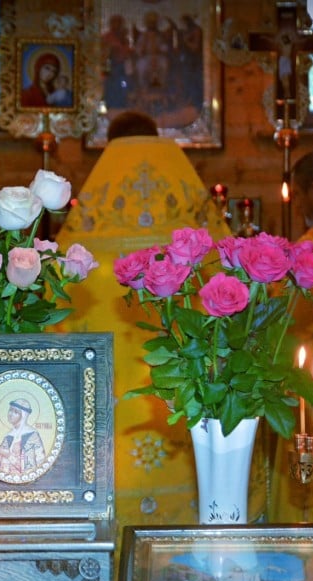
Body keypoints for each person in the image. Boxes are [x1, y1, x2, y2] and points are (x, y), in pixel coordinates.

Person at [56, 110, 231, 538]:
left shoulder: (89, 232)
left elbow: (53, 299)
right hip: (179, 408)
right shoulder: (187, 223)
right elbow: (227, 275)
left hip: (109, 426)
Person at [0, 398, 46, 476]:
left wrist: (8, 455)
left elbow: (41, 463)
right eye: (10, 410)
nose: (11, 414)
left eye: (16, 412)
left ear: (23, 415)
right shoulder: (9, 435)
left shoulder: (32, 435)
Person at [100, 14, 134, 110]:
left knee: (124, 83)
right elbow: (103, 51)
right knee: (111, 86)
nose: (117, 25)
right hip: (110, 67)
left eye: (119, 23)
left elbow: (127, 51)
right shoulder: (106, 37)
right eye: (115, 23)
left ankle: (124, 102)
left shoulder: (124, 38)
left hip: (122, 67)